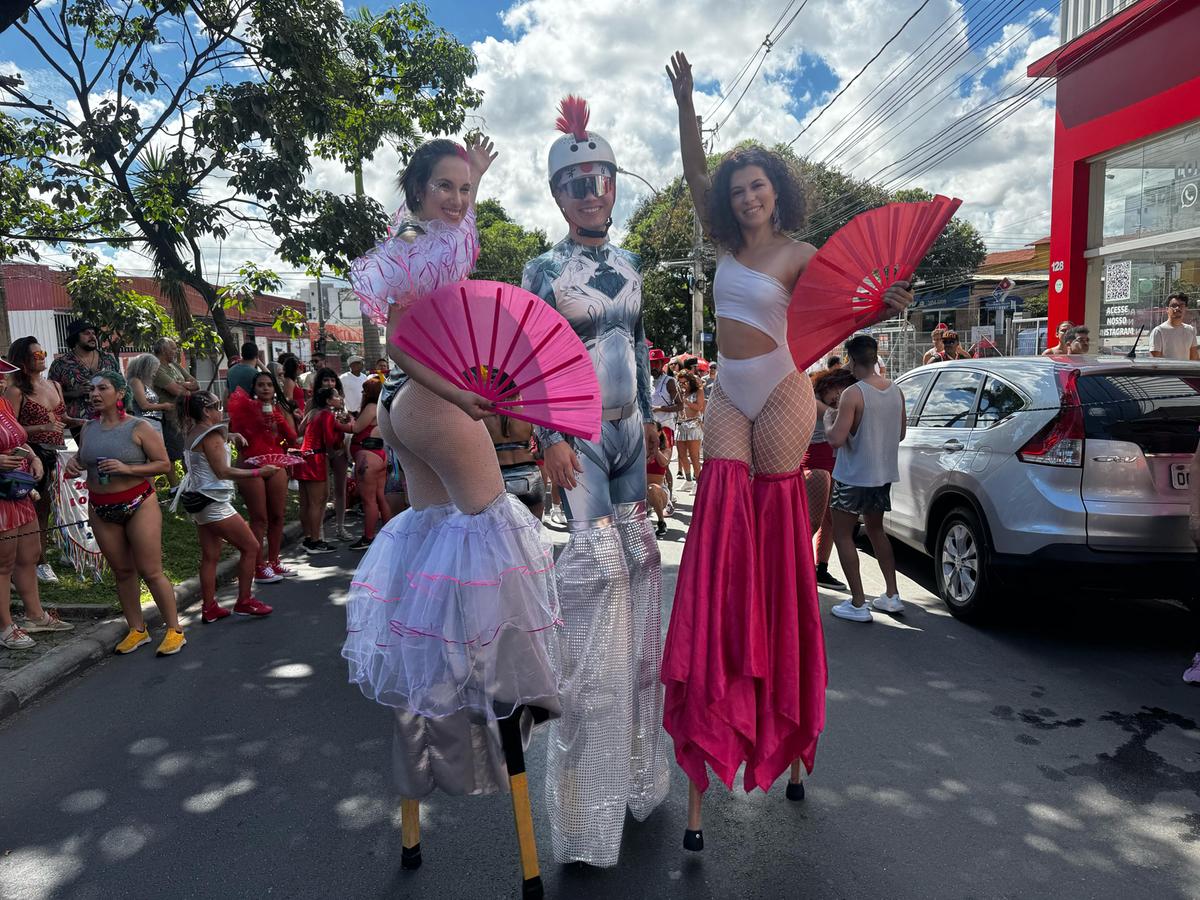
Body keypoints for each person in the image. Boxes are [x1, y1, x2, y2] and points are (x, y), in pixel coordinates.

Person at [662, 51, 912, 852]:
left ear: (778, 190)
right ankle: (718, 684)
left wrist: (894, 299)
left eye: (758, 186)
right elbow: (698, 173)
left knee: (771, 538)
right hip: (730, 391)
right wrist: (688, 105)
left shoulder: (801, 253)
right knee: (716, 527)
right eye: (738, 192)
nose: (747, 197)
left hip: (782, 393)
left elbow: (858, 295)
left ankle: (783, 711)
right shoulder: (723, 246)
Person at [343, 136, 560, 891]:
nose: (460, 201)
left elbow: (446, 252)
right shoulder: (414, 244)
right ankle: (506, 700)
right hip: (434, 403)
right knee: (496, 543)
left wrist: (475, 177)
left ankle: (428, 747)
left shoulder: (426, 234)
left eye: (465, 189)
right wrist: (465, 395)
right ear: (416, 190)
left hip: (406, 412)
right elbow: (401, 338)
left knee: (434, 558)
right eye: (446, 188)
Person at [522, 96, 669, 867]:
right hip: (576, 441)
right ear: (557, 195)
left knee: (641, 583)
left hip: (627, 441)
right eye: (574, 181)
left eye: (598, 177)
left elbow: (640, 352)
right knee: (592, 595)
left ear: (614, 185)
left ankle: (638, 768)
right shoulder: (543, 269)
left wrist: (651, 433)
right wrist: (545, 438)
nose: (588, 191)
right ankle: (585, 798)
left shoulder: (636, 263)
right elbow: (533, 362)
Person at [65, 370, 185, 656]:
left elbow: (163, 464)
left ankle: (174, 630)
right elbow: (84, 458)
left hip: (138, 503)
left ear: (119, 394)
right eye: (92, 390)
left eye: (102, 389)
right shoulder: (88, 428)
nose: (94, 394)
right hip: (101, 507)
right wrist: (74, 462)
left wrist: (127, 469)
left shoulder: (139, 427)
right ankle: (137, 629)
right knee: (122, 571)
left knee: (151, 570)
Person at [825, 334, 906, 622]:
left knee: (842, 534)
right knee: (876, 531)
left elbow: (836, 439)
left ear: (850, 359)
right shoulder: (895, 390)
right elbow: (901, 434)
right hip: (882, 475)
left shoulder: (853, 394)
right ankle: (892, 595)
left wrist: (828, 418)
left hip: (852, 475)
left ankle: (859, 603)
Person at [175, 391, 276, 622]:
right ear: (206, 411)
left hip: (199, 500)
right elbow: (223, 471)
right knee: (251, 547)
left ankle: (209, 607)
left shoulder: (193, 432)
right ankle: (244, 601)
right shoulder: (211, 435)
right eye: (217, 405)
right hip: (214, 501)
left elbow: (209, 452)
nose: (221, 409)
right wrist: (260, 472)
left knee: (210, 556)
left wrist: (230, 435)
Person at [0, 356, 74, 649]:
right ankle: (5, 626)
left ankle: (35, 615)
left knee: (29, 553)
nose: (1, 379)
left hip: (18, 487)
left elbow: (16, 436)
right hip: (2, 494)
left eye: (2, 375)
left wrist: (31, 457)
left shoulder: (3, 404)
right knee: (3, 562)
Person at [7, 336, 74, 583]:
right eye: (36, 355)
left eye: (43, 352)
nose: (42, 357)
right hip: (30, 454)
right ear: (23, 361)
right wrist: (41, 427)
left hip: (56, 451)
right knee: (33, 510)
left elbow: (63, 417)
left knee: (48, 508)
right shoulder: (15, 391)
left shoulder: (54, 385)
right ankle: (34, 562)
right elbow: (9, 429)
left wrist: (90, 422)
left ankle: (42, 557)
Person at [227, 371, 298, 579]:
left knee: (277, 516)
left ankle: (274, 561)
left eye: (269, 384)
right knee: (259, 518)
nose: (265, 388)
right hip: (252, 466)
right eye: (261, 385)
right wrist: (258, 419)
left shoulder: (278, 410)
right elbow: (237, 436)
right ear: (254, 388)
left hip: (275, 464)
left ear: (275, 389)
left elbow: (292, 439)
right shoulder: (245, 407)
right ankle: (258, 566)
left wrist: (280, 419)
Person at [805, 368, 855, 592]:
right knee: (811, 522)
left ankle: (820, 569)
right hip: (814, 462)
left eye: (844, 393)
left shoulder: (835, 402)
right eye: (837, 390)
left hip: (834, 460)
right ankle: (796, 565)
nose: (839, 396)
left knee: (831, 519)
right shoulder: (811, 397)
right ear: (829, 382)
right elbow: (833, 416)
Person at [294, 387, 353, 554]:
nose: (340, 397)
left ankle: (308, 538)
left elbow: (300, 429)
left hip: (304, 457)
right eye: (336, 396)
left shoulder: (313, 412)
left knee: (305, 502)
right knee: (316, 503)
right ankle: (315, 541)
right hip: (316, 458)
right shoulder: (327, 414)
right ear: (328, 401)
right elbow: (330, 438)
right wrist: (340, 437)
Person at [47, 320, 118, 442]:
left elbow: (121, 385)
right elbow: (51, 395)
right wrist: (74, 393)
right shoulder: (61, 364)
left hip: (112, 417)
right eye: (86, 333)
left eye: (93, 333)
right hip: (81, 424)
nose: (92, 336)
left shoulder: (108, 359)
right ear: (75, 337)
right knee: (91, 457)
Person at [484, 395, 545, 521]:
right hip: (530, 475)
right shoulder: (527, 411)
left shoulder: (483, 415)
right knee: (535, 532)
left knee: (505, 535)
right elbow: (541, 447)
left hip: (499, 476)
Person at [151, 337, 199, 489]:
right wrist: (184, 386)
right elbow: (177, 391)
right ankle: (175, 488)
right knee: (171, 453)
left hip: (183, 414)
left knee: (187, 450)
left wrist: (181, 385)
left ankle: (189, 484)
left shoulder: (174, 365)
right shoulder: (157, 368)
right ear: (164, 350)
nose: (176, 351)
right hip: (168, 416)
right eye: (173, 348)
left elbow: (196, 384)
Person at [349, 377, 389, 550]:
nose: (363, 393)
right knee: (380, 497)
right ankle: (388, 535)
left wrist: (340, 422)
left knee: (369, 501)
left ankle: (368, 537)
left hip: (368, 457)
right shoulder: (382, 407)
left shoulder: (371, 407)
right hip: (378, 455)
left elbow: (356, 428)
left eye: (365, 390)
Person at [125, 353, 174, 434]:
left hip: (152, 422)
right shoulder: (135, 381)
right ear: (145, 369)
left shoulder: (143, 383)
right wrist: (164, 406)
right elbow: (144, 405)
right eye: (153, 370)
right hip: (145, 422)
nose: (154, 374)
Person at [674, 369, 705, 490]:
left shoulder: (698, 391)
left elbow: (699, 407)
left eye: (684, 382)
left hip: (693, 425)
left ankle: (698, 482)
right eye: (680, 383)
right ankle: (688, 481)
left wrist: (686, 401)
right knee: (681, 456)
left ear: (690, 381)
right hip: (681, 425)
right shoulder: (679, 393)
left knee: (694, 456)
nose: (682, 385)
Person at [1150, 293, 1197, 360]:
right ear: (1167, 309)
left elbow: (1194, 357)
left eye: (1181, 305)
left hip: (1186, 370)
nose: (1178, 308)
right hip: (1167, 370)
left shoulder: (1190, 330)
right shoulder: (1159, 331)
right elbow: (1155, 362)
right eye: (1174, 305)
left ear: (1185, 309)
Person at [646, 421, 673, 537]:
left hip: (659, 490)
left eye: (653, 430)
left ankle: (661, 522)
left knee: (652, 488)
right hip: (640, 491)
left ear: (659, 432)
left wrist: (655, 448)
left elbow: (663, 463)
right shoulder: (641, 448)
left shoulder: (666, 450)